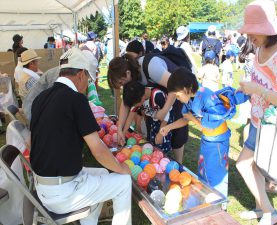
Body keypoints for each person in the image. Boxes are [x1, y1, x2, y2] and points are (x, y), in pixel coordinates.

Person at [30, 48, 132, 225]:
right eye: (89, 80)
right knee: (123, 181)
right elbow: (99, 150)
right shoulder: (76, 99)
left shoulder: (41, 98)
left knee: (102, 172)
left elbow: (34, 141)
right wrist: (121, 167)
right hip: (62, 193)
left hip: (42, 187)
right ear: (81, 74)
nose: (88, 86)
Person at [236, 1, 277, 224]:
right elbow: (260, 82)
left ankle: (270, 213)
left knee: (243, 164)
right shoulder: (260, 48)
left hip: (271, 125)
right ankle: (263, 209)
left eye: (254, 30)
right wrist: (246, 88)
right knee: (255, 167)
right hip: (257, 119)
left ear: (267, 30)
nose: (250, 35)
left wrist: (256, 89)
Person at [160, 67, 248, 201]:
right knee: (204, 170)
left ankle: (219, 203)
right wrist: (169, 127)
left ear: (186, 89)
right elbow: (185, 118)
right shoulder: (191, 97)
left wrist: (192, 118)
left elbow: (210, 125)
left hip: (217, 142)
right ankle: (206, 198)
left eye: (177, 96)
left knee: (216, 175)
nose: (177, 99)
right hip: (208, 139)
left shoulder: (207, 97)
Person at [107, 55, 188, 163]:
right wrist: (120, 129)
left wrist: (163, 112)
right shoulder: (132, 84)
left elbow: (175, 86)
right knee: (155, 135)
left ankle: (179, 164)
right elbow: (127, 105)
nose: (123, 86)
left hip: (177, 94)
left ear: (127, 73)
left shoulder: (151, 67)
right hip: (158, 105)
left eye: (121, 83)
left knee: (177, 134)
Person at [23, 50, 98, 121]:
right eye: (87, 77)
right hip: (34, 113)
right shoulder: (62, 78)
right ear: (81, 74)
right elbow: (60, 109)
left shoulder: (65, 72)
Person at [123, 81, 173, 153]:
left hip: (165, 122)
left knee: (162, 142)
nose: (137, 107)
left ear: (142, 98)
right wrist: (124, 133)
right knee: (152, 140)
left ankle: (164, 156)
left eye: (137, 105)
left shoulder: (157, 95)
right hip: (154, 119)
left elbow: (167, 115)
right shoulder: (138, 97)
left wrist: (160, 133)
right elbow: (131, 116)